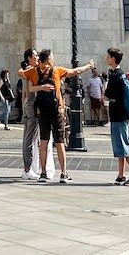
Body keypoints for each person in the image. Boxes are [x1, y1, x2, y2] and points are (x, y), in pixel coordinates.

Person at [32, 48, 94, 184]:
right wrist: (89, 66)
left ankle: (43, 173)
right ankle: (64, 173)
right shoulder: (56, 71)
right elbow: (75, 71)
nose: (53, 59)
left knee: (43, 142)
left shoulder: (35, 72)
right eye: (52, 57)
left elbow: (24, 77)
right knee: (59, 142)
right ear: (48, 59)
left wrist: (40, 87)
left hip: (42, 112)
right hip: (56, 111)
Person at [105, 48, 129, 185]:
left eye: (108, 56)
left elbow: (107, 95)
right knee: (121, 145)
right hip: (124, 114)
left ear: (113, 59)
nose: (106, 58)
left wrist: (108, 96)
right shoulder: (122, 74)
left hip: (118, 115)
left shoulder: (114, 76)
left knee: (123, 145)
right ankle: (121, 175)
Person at [18, 50, 40, 180]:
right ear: (29, 58)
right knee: (30, 139)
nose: (37, 57)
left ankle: (28, 167)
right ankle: (28, 168)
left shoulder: (27, 70)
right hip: (32, 107)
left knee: (27, 137)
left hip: (27, 106)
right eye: (35, 56)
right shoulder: (31, 71)